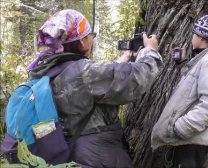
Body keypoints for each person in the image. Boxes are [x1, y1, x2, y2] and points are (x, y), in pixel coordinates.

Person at [1, 9, 162, 168]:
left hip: (63, 155)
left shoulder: (47, 70)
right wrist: (150, 51)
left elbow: (92, 82)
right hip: (96, 157)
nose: (91, 39)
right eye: (90, 35)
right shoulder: (87, 73)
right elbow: (138, 78)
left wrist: (125, 58)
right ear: (82, 41)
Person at [151, 14, 208, 168]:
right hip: (190, 141)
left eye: (194, 33)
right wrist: (184, 63)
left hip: (191, 142)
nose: (192, 37)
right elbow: (194, 87)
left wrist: (180, 128)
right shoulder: (206, 60)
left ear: (201, 37)